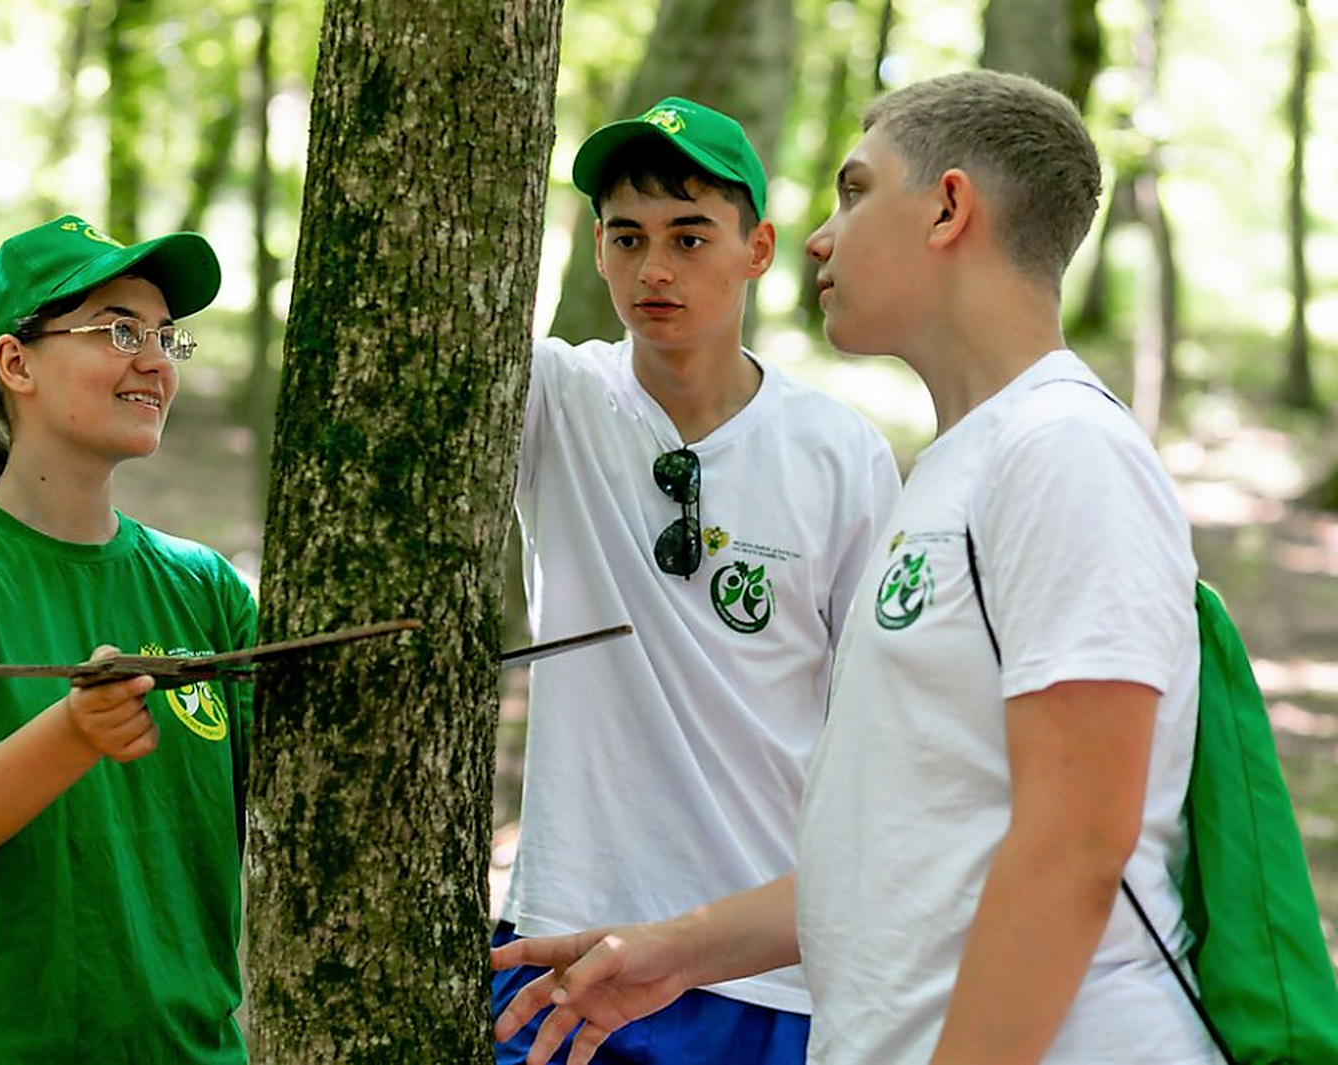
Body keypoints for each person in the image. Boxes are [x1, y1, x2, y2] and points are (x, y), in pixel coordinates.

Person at [494, 70, 1226, 1065]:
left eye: (851, 190)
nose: (816, 236)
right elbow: (897, 841)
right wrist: (674, 951)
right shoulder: (953, 468)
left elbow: (1075, 852)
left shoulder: (1062, 452)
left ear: (948, 208)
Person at [495, 96, 899, 1063]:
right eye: (627, 238)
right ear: (597, 251)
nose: (655, 269)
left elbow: (878, 724)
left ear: (758, 248)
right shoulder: (551, 396)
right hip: (567, 941)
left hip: (763, 969)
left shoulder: (839, 452)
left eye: (690, 235)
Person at [0, 215, 255, 1062]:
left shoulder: (204, 585)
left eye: (166, 338)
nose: (153, 362)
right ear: (15, 362)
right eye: (117, 330)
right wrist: (73, 734)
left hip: (190, 1050)